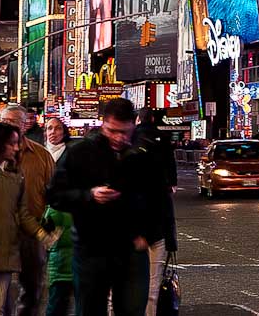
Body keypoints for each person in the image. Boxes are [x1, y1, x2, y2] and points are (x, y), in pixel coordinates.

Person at [48, 97, 151, 316]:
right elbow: (55, 195)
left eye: (124, 131)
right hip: (92, 247)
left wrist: (148, 233)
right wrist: (89, 196)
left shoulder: (143, 153)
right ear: (103, 124)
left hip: (131, 248)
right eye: (113, 130)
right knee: (90, 308)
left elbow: (158, 197)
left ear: (133, 124)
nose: (119, 137)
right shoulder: (80, 152)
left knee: (132, 309)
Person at [0, 123, 58, 316]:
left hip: (5, 250)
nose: (16, 148)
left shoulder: (15, 176)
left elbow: (22, 213)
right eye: (12, 144)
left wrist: (43, 235)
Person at [0, 104, 55, 316]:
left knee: (32, 287)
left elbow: (53, 193)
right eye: (5, 122)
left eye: (14, 122)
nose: (9, 127)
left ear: (25, 125)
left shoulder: (41, 156)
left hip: (32, 232)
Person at [132, 109, 177, 316]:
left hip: (133, 234)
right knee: (152, 288)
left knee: (120, 288)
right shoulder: (163, 140)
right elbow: (167, 211)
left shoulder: (130, 143)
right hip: (155, 233)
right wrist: (171, 243)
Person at [42, 204, 73, 316]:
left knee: (56, 307)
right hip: (65, 266)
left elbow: (47, 241)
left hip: (60, 265)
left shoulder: (53, 207)